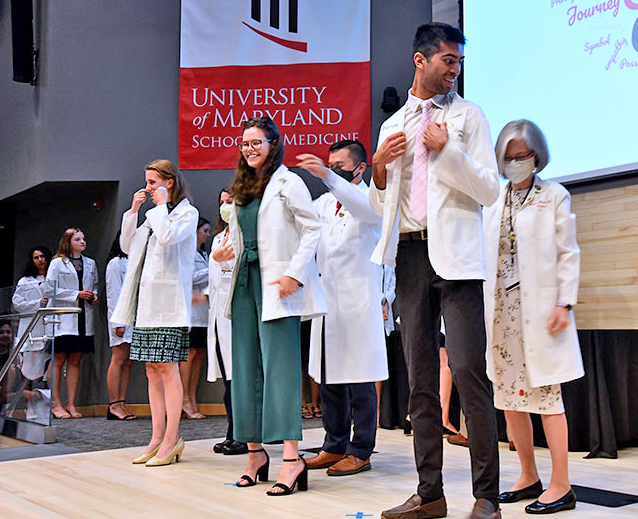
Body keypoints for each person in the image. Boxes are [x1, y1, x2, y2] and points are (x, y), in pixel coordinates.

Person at [369, 23, 502, 519]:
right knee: (421, 380)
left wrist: (448, 150)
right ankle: (430, 494)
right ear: (420, 60)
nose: (455, 69)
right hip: (408, 257)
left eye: (459, 62)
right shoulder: (392, 125)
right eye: (448, 60)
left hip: (459, 257)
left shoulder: (469, 116)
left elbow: (489, 189)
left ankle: (486, 496)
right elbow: (383, 202)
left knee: (468, 371)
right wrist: (378, 168)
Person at [484, 120, 583, 515]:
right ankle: (528, 475)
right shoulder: (493, 199)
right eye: (508, 158)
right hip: (501, 312)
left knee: (547, 398)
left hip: (541, 311)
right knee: (510, 399)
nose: (515, 163)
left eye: (521, 156)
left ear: (537, 155)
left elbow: (568, 252)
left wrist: (565, 303)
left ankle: (562, 484)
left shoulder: (554, 195)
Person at [226, 116, 326, 495]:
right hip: (245, 285)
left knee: (280, 372)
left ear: (272, 144)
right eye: (244, 143)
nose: (249, 149)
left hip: (277, 288)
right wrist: (225, 250)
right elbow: (240, 235)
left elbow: (312, 228)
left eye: (256, 142)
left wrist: (294, 274)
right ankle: (255, 454)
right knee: (246, 369)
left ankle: (291, 459)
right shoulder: (242, 188)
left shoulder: (289, 182)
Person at [297, 140, 388, 477]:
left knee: (360, 378)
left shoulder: (370, 199)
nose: (331, 169)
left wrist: (328, 177)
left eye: (338, 164)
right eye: (329, 164)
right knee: (329, 376)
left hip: (357, 301)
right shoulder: (323, 204)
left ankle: (361, 449)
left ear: (359, 168)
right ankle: (334, 444)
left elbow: (365, 210)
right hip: (328, 302)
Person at [111, 159, 198, 467]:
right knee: (151, 368)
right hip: (147, 305)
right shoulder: (151, 216)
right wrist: (133, 212)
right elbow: (127, 246)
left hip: (170, 305)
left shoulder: (187, 213)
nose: (147, 188)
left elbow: (169, 237)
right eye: (146, 182)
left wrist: (159, 206)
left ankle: (173, 437)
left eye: (152, 182)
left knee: (168, 368)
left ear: (169, 182)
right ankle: (156, 436)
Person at [208, 188, 247, 455]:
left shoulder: (244, 236)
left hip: (238, 319)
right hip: (219, 320)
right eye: (222, 202)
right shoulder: (219, 239)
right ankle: (232, 432)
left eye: (230, 202)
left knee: (240, 382)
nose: (225, 207)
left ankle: (244, 436)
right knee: (228, 383)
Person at [46, 229, 99, 419]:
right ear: (68, 242)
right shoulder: (56, 263)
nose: (83, 241)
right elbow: (49, 289)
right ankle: (55, 403)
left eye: (84, 238)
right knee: (58, 360)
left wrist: (93, 296)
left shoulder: (90, 263)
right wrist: (75, 294)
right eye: (78, 239)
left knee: (76, 360)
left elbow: (94, 285)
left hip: (84, 316)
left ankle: (71, 403)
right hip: (64, 317)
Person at [180, 216, 211, 420]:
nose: (207, 235)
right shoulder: (188, 250)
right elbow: (188, 277)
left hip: (203, 311)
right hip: (189, 311)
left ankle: (192, 397)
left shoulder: (204, 253)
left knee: (199, 355)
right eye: (205, 231)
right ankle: (183, 399)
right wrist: (214, 269)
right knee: (190, 354)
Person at [105, 232, 136, 420]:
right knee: (118, 358)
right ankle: (113, 404)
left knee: (128, 361)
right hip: (121, 318)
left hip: (134, 318)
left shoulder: (134, 261)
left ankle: (121, 402)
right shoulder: (116, 263)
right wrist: (119, 322)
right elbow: (113, 294)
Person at [12, 246, 53, 381]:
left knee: (49, 368)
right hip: (32, 328)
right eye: (36, 257)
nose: (40, 260)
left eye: (42, 256)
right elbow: (17, 304)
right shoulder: (24, 281)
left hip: (51, 327)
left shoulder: (54, 278)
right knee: (28, 371)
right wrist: (37, 304)